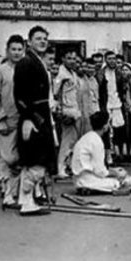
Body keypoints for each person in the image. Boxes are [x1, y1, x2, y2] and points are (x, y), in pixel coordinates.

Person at [14, 26, 57, 216]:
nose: (42, 41)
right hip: (34, 118)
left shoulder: (37, 62)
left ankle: (26, 200)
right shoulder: (26, 62)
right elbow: (20, 95)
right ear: (29, 41)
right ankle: (27, 202)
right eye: (38, 38)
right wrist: (28, 119)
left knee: (33, 160)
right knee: (37, 161)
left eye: (45, 38)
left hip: (41, 115)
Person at [71, 111, 131, 194]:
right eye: (108, 123)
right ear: (104, 127)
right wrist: (115, 173)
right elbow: (100, 171)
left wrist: (114, 170)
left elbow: (97, 167)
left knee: (119, 175)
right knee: (118, 181)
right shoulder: (96, 141)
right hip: (87, 181)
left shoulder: (88, 136)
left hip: (81, 178)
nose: (109, 125)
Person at [0, 35, 25, 209]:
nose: (16, 53)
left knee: (21, 159)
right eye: (13, 49)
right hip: (6, 121)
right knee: (8, 158)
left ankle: (15, 194)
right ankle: (6, 192)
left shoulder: (25, 70)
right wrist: (0, 119)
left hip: (22, 120)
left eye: (19, 49)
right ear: (7, 51)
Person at [53, 49, 82, 177]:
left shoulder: (73, 73)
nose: (72, 61)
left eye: (74, 59)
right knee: (66, 141)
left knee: (73, 140)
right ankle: (61, 167)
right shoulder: (61, 74)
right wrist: (60, 111)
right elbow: (56, 93)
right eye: (69, 58)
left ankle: (69, 165)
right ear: (63, 59)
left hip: (74, 108)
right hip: (66, 109)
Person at [77, 58, 100, 136]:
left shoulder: (94, 80)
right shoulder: (80, 79)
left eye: (93, 68)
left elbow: (96, 97)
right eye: (89, 67)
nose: (91, 70)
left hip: (93, 110)